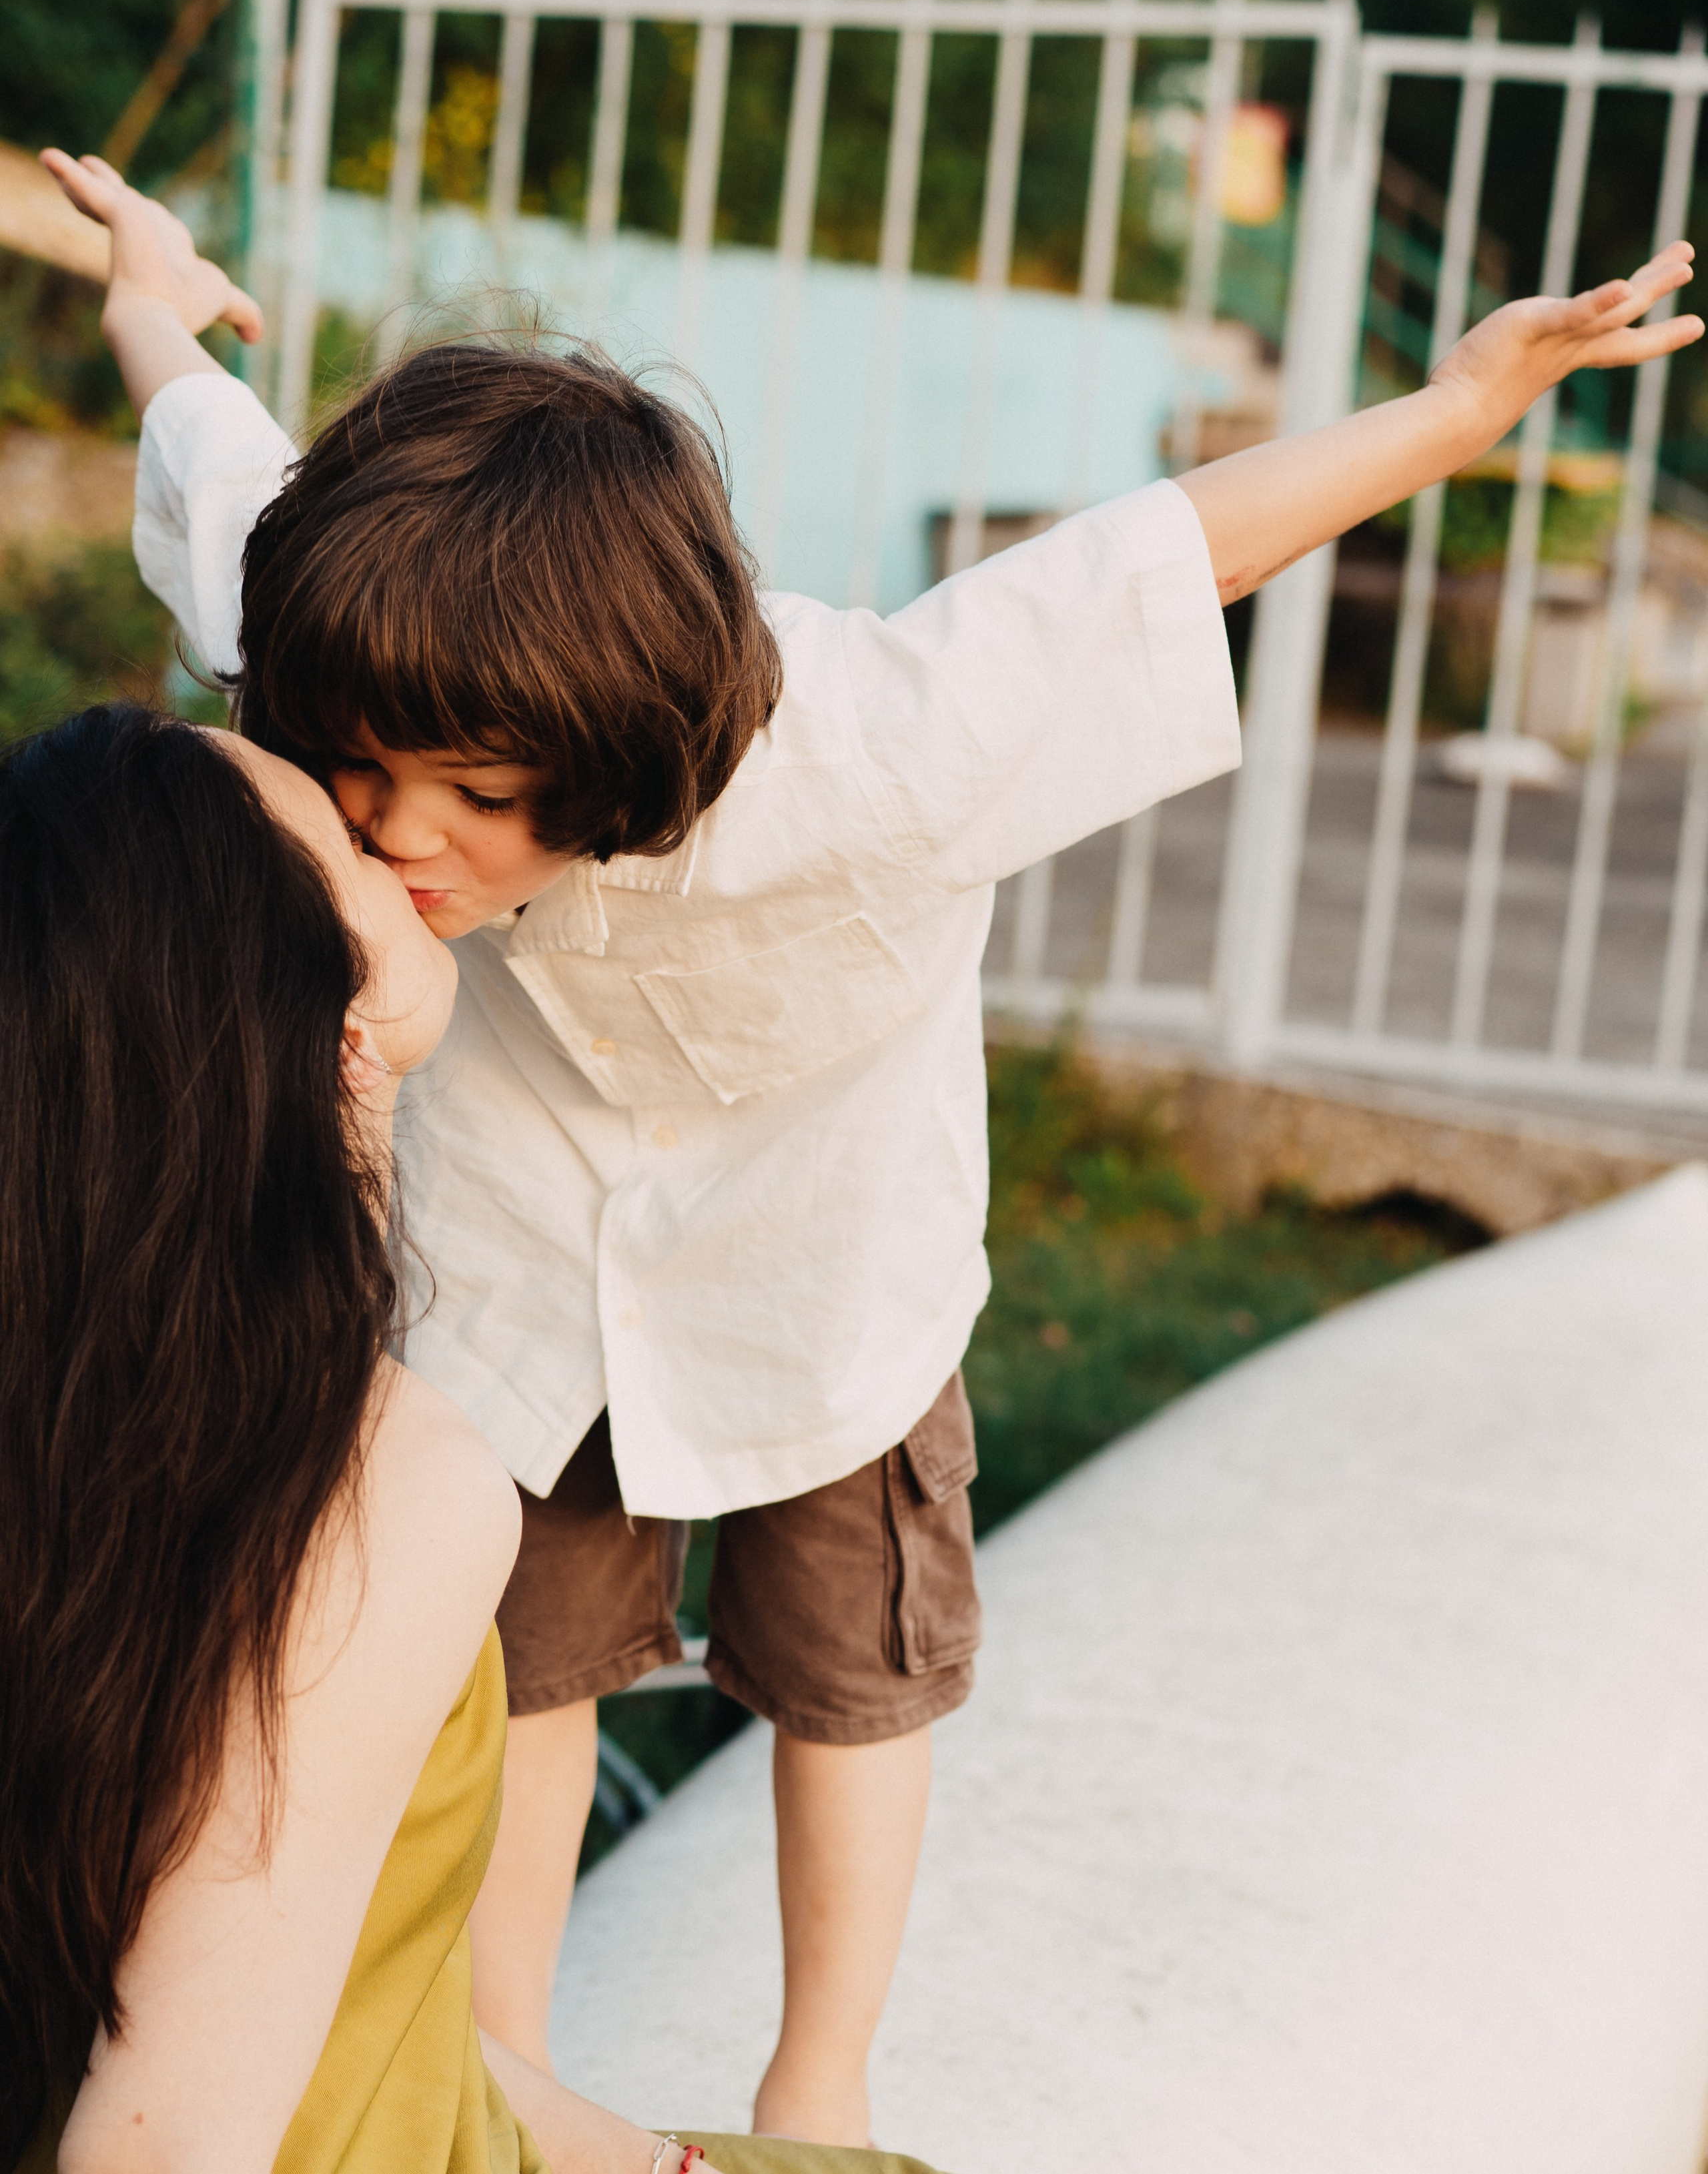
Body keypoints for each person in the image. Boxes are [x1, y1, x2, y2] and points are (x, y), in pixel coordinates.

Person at [39, 147, 1702, 2145]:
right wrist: (150, 282)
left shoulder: (878, 742)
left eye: (467, 797)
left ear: (615, 752)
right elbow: (212, 453)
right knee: (519, 1656)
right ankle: (519, 2060)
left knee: (848, 1671)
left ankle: (817, 2074)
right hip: (519, 1252)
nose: (392, 838)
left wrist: (1458, 410)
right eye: (358, 775)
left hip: (825, 1253)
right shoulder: (356, 640)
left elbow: (1167, 559)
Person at [0, 700, 942, 2174]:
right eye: (345, 843)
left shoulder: (79, 1414)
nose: (391, 839)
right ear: (325, 1015)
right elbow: (165, 2144)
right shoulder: (375, 1476)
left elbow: (379, 1989)